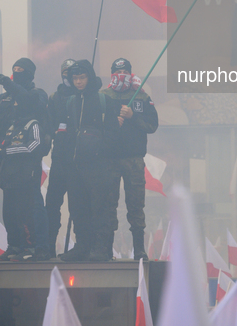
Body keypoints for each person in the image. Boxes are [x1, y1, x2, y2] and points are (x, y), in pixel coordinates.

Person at [0, 58, 50, 261]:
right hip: (5, 157)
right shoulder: (5, 99)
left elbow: (27, 102)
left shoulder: (38, 94)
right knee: (10, 205)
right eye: (14, 70)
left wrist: (6, 81)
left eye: (21, 70)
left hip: (28, 158)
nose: (16, 73)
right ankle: (15, 246)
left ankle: (39, 247)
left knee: (32, 203)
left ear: (30, 75)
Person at [58, 60, 120, 262]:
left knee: (100, 207)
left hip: (99, 165)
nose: (78, 82)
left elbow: (113, 132)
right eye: (74, 78)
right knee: (77, 207)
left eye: (82, 77)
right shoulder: (70, 102)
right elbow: (66, 133)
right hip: (75, 166)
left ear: (89, 77)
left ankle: (101, 248)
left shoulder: (104, 101)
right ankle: (82, 246)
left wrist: (101, 153)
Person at [102, 58, 159, 261]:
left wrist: (133, 117)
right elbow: (93, 125)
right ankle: (107, 249)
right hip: (109, 159)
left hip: (133, 159)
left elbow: (152, 125)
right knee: (108, 204)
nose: (122, 75)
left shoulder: (141, 96)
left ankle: (139, 249)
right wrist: (111, 122)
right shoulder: (103, 96)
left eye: (125, 71)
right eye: (118, 71)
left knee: (136, 205)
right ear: (111, 74)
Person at [45, 59, 77, 257]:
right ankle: (49, 244)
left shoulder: (85, 96)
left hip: (79, 159)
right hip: (59, 158)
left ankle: (80, 246)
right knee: (52, 202)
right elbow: (49, 126)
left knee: (78, 204)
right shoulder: (54, 97)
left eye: (73, 73)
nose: (69, 76)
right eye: (66, 72)